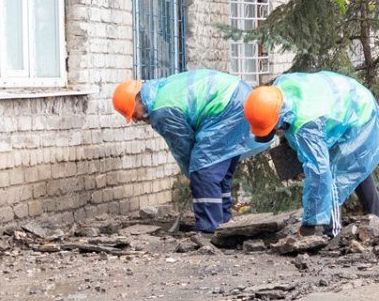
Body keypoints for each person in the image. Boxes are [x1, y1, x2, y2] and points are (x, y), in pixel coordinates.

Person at [112, 69, 269, 233]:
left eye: (133, 113)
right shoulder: (161, 90)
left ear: (138, 99)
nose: (136, 119)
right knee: (218, 171)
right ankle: (224, 223)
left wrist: (193, 175)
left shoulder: (162, 111)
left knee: (204, 170)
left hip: (228, 107)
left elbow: (183, 146)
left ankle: (209, 230)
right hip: (241, 99)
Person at [243, 71, 379, 237]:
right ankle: (376, 218)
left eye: (272, 130)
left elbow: (319, 174)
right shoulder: (277, 93)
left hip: (357, 112)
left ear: (278, 118)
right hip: (347, 99)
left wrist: (309, 223)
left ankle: (333, 234)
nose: (274, 133)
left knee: (335, 172)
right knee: (355, 164)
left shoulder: (307, 126)